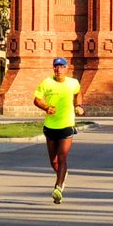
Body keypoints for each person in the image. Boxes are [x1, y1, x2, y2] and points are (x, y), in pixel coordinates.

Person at [33, 57, 84, 205]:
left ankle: (59, 187)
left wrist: (79, 105)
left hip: (67, 124)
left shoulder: (73, 83)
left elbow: (78, 93)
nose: (59, 69)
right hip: (50, 125)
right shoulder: (46, 83)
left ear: (66, 68)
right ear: (53, 68)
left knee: (62, 157)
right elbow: (36, 99)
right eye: (56, 67)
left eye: (62, 67)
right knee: (53, 160)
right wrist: (46, 107)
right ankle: (63, 174)